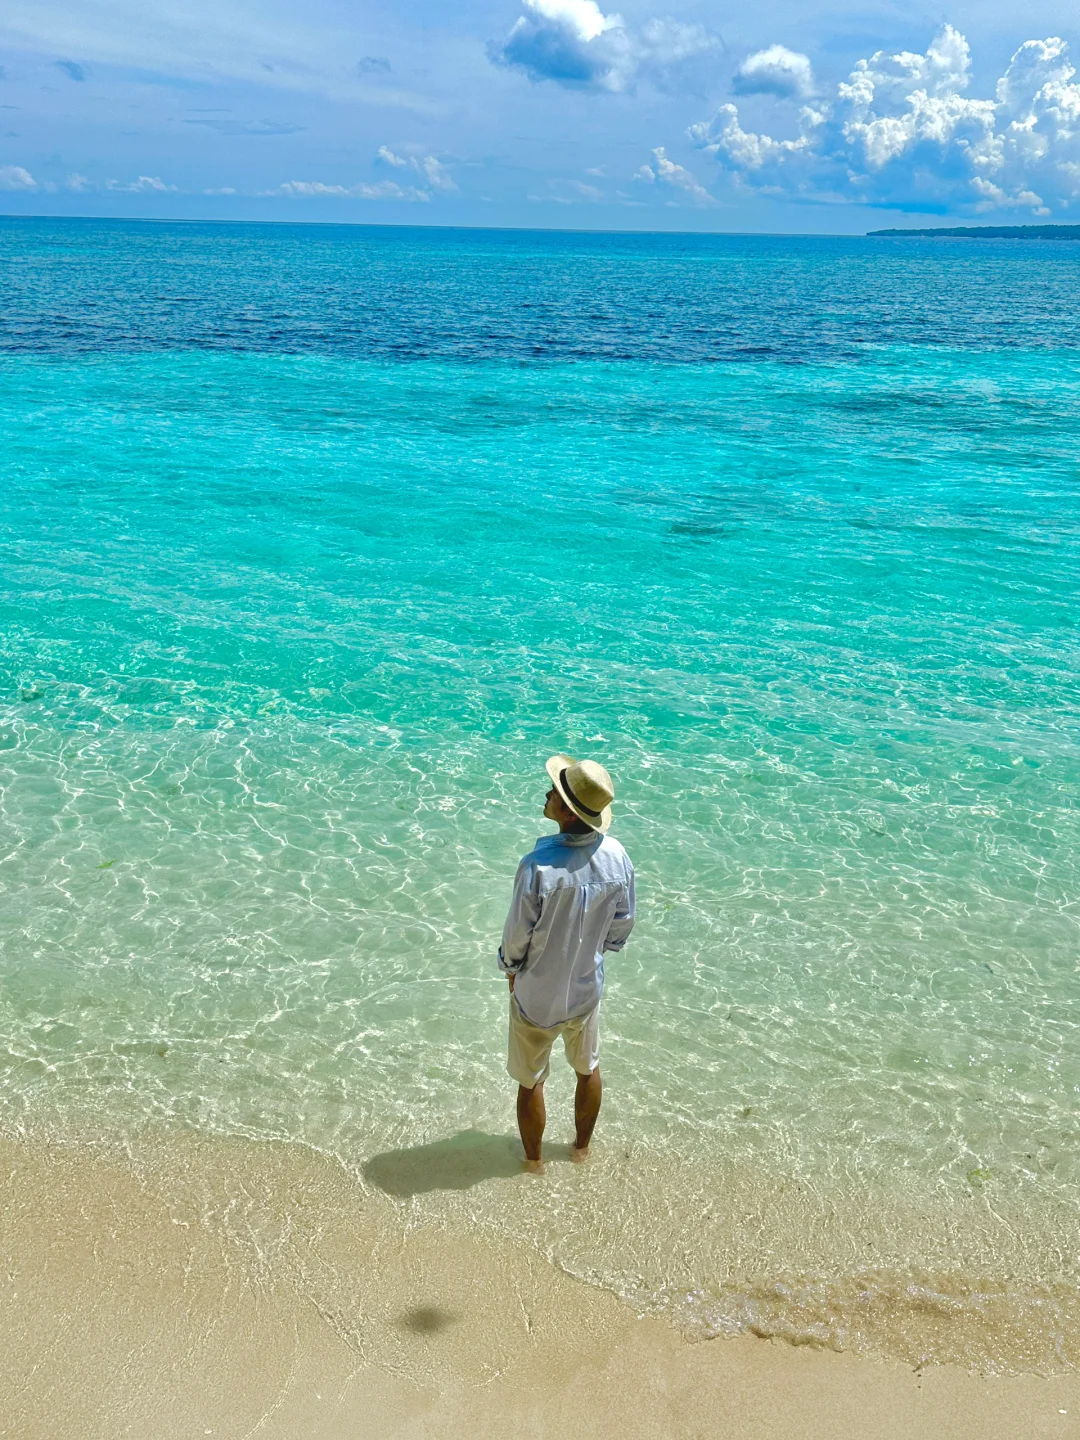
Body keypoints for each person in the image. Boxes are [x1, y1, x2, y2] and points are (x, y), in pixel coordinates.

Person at [498, 754, 635, 1174]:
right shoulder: (617, 858)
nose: (547, 792)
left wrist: (510, 970)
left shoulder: (536, 866)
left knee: (530, 1081)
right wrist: (592, 951)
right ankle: (580, 1152)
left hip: (536, 996)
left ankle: (534, 1165)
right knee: (588, 1069)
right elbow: (621, 927)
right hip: (584, 992)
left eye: (555, 792)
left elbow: (516, 939)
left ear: (568, 813)